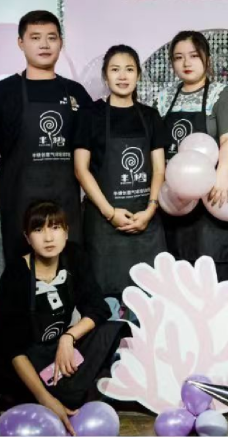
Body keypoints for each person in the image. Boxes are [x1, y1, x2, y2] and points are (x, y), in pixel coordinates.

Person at [0, 201, 129, 434]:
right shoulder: (16, 274)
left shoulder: (74, 257)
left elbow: (97, 308)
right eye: (38, 229)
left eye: (55, 227)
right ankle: (7, 399)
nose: (49, 237)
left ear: (66, 232)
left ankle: (63, 392)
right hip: (21, 359)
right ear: (27, 238)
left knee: (110, 330)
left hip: (53, 349)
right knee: (51, 396)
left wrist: (68, 338)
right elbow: (12, 348)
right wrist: (46, 399)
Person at [0, 10, 92, 281]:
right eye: (35, 37)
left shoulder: (76, 94)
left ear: (61, 43)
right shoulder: (1, 94)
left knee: (68, 281)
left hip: (66, 205)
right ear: (21, 43)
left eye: (52, 37)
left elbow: (88, 156)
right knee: (14, 283)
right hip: (14, 203)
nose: (44, 44)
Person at [74, 45, 169, 304]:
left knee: (149, 302)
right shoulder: (90, 115)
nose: (123, 76)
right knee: (106, 303)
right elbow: (81, 169)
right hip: (103, 225)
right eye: (115, 70)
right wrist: (110, 213)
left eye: (129, 69)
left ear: (138, 75)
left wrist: (150, 210)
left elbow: (159, 169)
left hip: (146, 222)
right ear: (105, 75)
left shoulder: (150, 116)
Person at [155, 30, 228, 283]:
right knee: (177, 281)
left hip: (211, 200)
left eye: (194, 55)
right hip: (174, 202)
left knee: (213, 281)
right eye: (178, 57)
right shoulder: (163, 99)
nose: (186, 63)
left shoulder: (222, 94)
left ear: (207, 59)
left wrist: (222, 174)